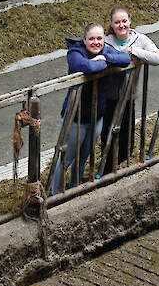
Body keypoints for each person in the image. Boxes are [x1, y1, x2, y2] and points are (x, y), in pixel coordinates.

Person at [50, 22, 132, 196]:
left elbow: (125, 59)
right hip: (75, 117)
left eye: (99, 38)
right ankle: (55, 194)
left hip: (97, 116)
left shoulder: (105, 51)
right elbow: (87, 67)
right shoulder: (75, 52)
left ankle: (74, 190)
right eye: (92, 39)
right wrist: (103, 62)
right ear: (84, 40)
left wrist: (104, 58)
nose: (96, 42)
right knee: (66, 158)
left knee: (83, 158)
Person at [101, 7, 159, 174]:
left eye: (124, 21)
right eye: (117, 22)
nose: (121, 25)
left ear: (130, 21)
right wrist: (124, 57)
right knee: (108, 138)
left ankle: (114, 168)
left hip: (129, 98)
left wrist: (134, 51)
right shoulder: (105, 41)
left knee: (127, 144)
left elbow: (157, 58)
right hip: (108, 99)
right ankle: (105, 174)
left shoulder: (139, 39)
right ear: (111, 24)